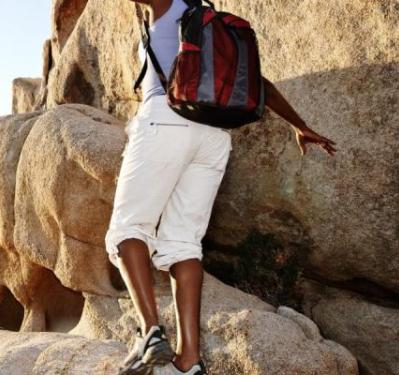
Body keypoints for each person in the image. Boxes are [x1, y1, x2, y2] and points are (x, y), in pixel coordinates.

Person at [109, 1, 338, 374]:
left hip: (166, 120)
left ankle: (150, 332)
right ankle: (190, 360)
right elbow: (257, 84)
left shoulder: (168, 8)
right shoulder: (209, 24)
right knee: (183, 243)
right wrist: (299, 124)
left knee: (127, 228)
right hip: (213, 135)